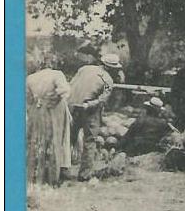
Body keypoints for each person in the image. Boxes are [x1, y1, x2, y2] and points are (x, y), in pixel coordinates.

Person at [68, 53, 120, 181]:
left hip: (72, 106)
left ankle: (61, 168)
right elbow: (102, 100)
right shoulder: (108, 80)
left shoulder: (84, 69)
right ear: (110, 68)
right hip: (89, 110)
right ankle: (84, 174)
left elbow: (72, 84)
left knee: (68, 138)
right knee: (90, 140)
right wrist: (88, 105)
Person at [26, 54, 72, 186]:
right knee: (56, 140)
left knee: (37, 140)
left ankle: (36, 176)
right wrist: (53, 98)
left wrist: (37, 103)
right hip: (54, 111)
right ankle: (53, 177)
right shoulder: (57, 74)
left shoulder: (30, 78)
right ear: (53, 63)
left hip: (37, 110)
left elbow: (28, 99)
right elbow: (65, 90)